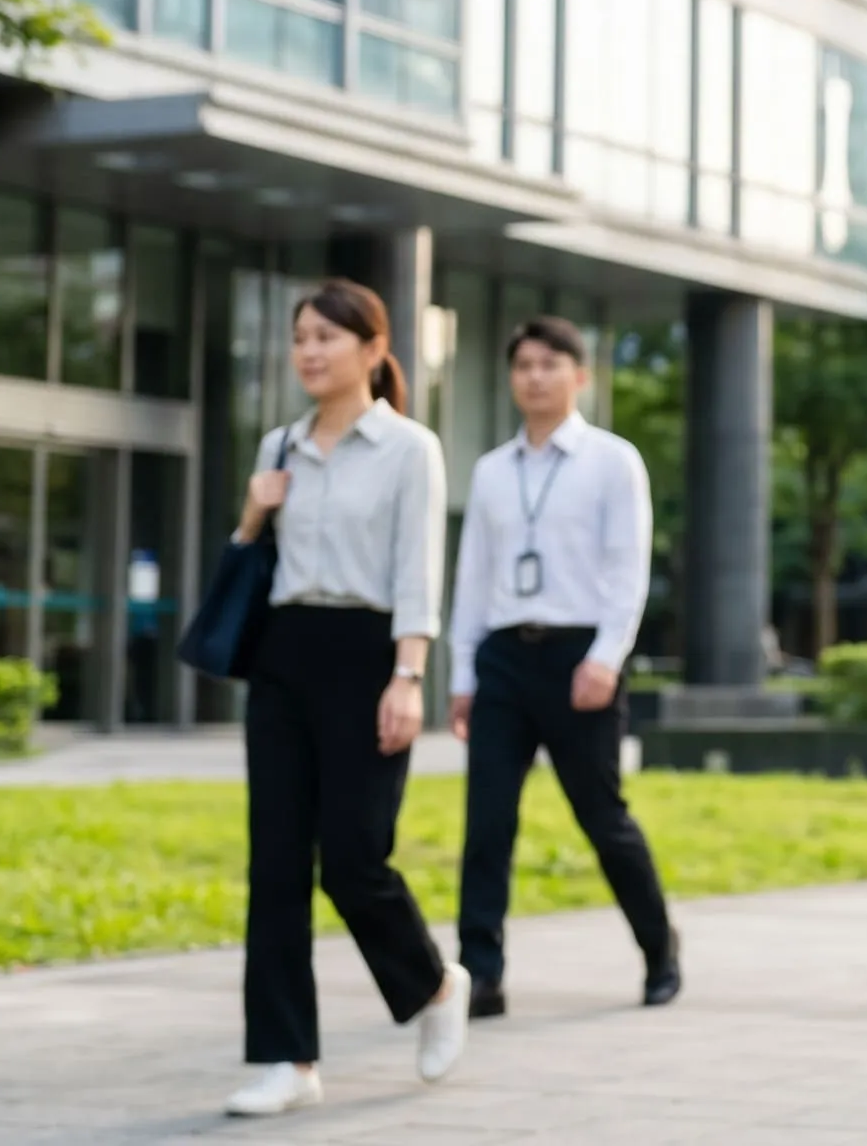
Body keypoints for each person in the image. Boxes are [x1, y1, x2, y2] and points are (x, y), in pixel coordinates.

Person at [223, 278, 466, 1117]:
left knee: (355, 860)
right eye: (300, 339)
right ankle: (284, 1058)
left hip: (369, 658)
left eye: (327, 337)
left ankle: (433, 985)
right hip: (286, 656)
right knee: (276, 865)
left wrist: (408, 678)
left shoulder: (409, 448)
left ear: (372, 348)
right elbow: (250, 567)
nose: (310, 352)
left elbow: (417, 574)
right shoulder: (279, 446)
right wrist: (252, 516)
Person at [449, 316, 679, 1018]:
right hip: (503, 658)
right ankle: (480, 973)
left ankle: (658, 947)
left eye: (551, 364)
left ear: (581, 376)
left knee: (601, 816)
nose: (536, 377)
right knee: (487, 822)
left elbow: (627, 568)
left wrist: (606, 657)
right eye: (523, 366)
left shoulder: (613, 461)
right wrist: (463, 675)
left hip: (581, 656)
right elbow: (473, 576)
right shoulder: (491, 471)